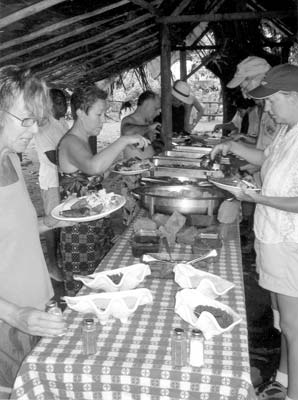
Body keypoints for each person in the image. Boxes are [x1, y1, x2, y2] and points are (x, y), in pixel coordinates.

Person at [211, 64, 298, 400]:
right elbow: (264, 157)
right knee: (283, 323)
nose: (268, 109)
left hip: (291, 243)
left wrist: (256, 197)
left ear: (293, 96)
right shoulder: (288, 129)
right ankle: (282, 380)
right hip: (274, 238)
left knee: (294, 327)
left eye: (273, 101)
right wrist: (232, 146)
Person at [0, 65, 66, 398]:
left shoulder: (10, 159)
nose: (33, 130)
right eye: (25, 119)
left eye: (37, 121)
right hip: (6, 322)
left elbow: (15, 236)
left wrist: (50, 222)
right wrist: (15, 315)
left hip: (37, 309)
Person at [57, 84, 148, 295]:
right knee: (84, 291)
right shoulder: (70, 142)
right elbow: (93, 166)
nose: (103, 120)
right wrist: (123, 140)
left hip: (96, 223)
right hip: (78, 232)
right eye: (99, 114)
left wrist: (116, 168)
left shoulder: (82, 140)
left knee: (100, 285)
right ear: (80, 112)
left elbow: (91, 176)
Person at [34, 88, 69, 281]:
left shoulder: (62, 122)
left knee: (62, 220)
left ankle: (61, 259)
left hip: (62, 179)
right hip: (51, 181)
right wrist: (78, 164)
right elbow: (53, 157)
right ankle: (52, 265)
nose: (64, 106)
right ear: (51, 104)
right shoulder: (45, 126)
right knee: (50, 223)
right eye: (60, 102)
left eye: (65, 102)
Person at [121, 90, 161, 159]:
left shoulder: (148, 123)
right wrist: (149, 128)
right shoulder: (128, 120)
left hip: (149, 166)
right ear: (146, 105)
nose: (158, 113)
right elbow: (127, 132)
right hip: (133, 167)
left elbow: (149, 146)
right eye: (156, 108)